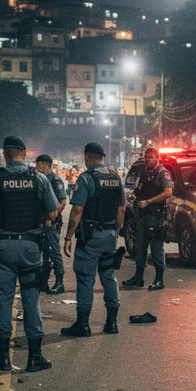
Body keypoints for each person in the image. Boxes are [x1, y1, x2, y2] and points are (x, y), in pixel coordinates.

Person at [0, 136, 59, 371]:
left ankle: (2, 358)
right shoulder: (39, 178)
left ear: (5, 154)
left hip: (3, 248)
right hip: (31, 249)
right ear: (24, 154)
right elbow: (53, 213)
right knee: (31, 301)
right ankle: (35, 358)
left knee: (3, 300)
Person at [61, 142, 124, 337]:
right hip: (110, 236)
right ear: (102, 157)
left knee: (86, 279)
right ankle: (112, 323)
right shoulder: (116, 178)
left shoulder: (87, 178)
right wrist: (116, 232)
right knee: (109, 277)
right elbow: (121, 209)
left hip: (90, 238)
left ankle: (83, 325)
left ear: (87, 157)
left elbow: (77, 209)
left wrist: (68, 237)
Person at [122, 147, 174, 290]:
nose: (148, 160)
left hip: (156, 216)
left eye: (151, 157)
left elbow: (168, 192)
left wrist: (149, 201)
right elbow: (138, 189)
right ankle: (138, 277)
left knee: (157, 249)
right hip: (143, 216)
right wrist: (134, 196)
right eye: (146, 157)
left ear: (158, 158)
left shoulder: (162, 173)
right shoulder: (144, 173)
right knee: (140, 248)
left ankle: (159, 280)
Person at [34, 154, 68, 294]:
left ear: (44, 164)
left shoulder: (55, 180)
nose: (36, 167)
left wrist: (52, 217)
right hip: (41, 222)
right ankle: (44, 283)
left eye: (38, 164)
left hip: (51, 224)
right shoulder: (41, 179)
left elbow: (63, 201)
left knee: (54, 252)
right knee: (44, 253)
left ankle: (59, 283)